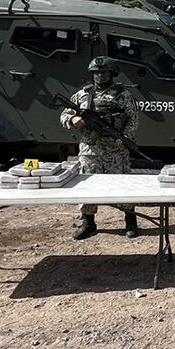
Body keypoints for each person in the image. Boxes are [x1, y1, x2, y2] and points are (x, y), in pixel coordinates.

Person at [60, 56, 140, 240]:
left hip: (115, 150)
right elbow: (64, 114)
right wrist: (73, 120)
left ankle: (130, 221)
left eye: (104, 73)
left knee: (123, 187)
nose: (100, 76)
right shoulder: (82, 95)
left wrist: (125, 138)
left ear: (112, 74)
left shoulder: (122, 95)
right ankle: (88, 223)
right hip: (90, 150)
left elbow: (132, 119)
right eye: (96, 73)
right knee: (87, 187)